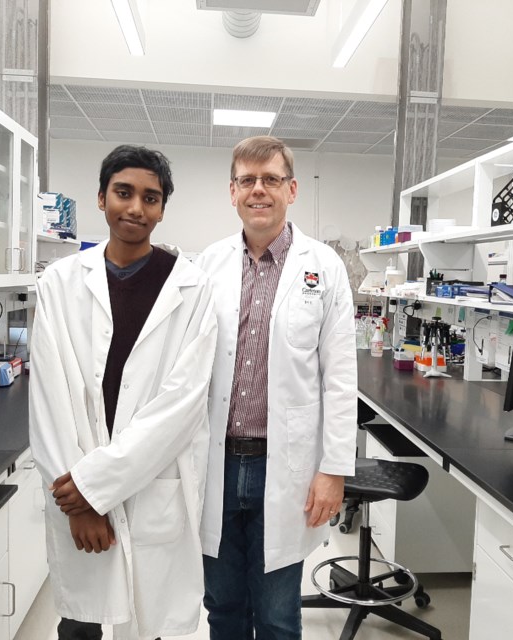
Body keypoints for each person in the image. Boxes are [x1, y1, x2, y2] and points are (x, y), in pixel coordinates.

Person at [29, 145, 219, 640]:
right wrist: (81, 502)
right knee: (80, 621)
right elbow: (50, 398)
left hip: (151, 482)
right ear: (100, 198)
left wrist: (96, 488)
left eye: (150, 198)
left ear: (162, 209)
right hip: (75, 484)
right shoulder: (60, 282)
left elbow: (182, 405)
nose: (135, 208)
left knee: (148, 615)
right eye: (123, 193)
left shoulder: (191, 287)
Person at [196, 135, 358, 639]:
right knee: (222, 607)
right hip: (216, 464)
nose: (258, 190)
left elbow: (340, 377)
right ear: (232, 191)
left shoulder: (324, 268)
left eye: (270, 180)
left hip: (285, 465)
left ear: (291, 189)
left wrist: (333, 469)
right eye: (248, 180)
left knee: (276, 615)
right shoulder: (207, 265)